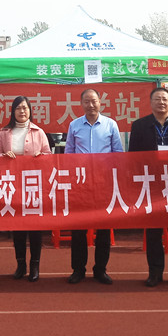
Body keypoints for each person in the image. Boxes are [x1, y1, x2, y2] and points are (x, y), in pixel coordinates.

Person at [129, 87, 168, 288]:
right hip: (151, 186)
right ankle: (155, 273)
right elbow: (133, 157)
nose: (161, 103)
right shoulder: (139, 126)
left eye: (165, 99)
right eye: (157, 99)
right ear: (150, 103)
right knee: (153, 233)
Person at [63, 89, 123, 285]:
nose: (91, 105)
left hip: (104, 183)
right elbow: (69, 154)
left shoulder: (110, 124)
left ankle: (100, 269)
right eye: (87, 101)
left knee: (103, 229)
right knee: (78, 229)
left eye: (94, 101)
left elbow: (118, 154)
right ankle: (78, 269)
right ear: (81, 104)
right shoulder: (74, 125)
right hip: (80, 184)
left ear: (100, 103)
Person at [0, 96, 51, 282]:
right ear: (13, 111)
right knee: (17, 226)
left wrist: (41, 156)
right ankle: (20, 264)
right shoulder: (4, 133)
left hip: (33, 185)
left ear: (30, 110)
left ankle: (35, 265)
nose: (22, 111)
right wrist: (4, 156)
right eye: (18, 108)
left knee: (35, 227)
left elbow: (48, 155)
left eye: (25, 108)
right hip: (12, 185)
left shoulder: (39, 132)